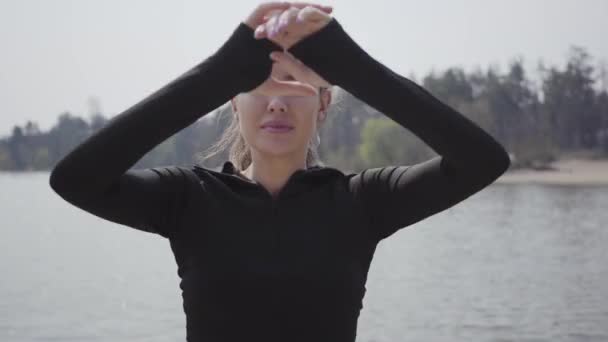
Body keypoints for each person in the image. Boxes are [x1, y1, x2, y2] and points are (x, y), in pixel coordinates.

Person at [49, 2, 511, 341]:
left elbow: (482, 161)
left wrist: (348, 64)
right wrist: (218, 72)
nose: (275, 102)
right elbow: (75, 180)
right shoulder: (189, 198)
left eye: (294, 87)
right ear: (233, 100)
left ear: (323, 104)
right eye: (255, 87)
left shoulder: (361, 201)